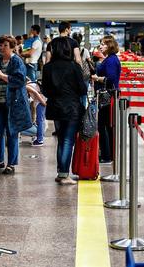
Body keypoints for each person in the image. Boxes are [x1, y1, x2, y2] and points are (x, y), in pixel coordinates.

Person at [0, 35, 32, 175]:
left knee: (12, 133)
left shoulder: (17, 61)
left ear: (12, 47)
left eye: (5, 45)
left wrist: (2, 75)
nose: (2, 48)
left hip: (13, 103)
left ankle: (11, 163)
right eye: (0, 45)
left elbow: (20, 81)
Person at [42, 37, 87, 185]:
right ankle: (64, 174)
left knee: (61, 139)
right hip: (72, 107)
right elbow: (83, 89)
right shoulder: (74, 66)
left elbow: (45, 91)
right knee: (68, 140)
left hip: (55, 107)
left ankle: (61, 171)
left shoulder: (47, 68)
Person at [91, 35, 121, 164]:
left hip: (108, 97)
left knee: (104, 125)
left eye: (103, 44)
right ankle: (107, 153)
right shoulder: (110, 59)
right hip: (108, 96)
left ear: (110, 46)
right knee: (106, 125)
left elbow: (111, 79)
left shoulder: (111, 60)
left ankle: (107, 155)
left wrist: (96, 78)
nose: (101, 46)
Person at [26, 79, 46, 146]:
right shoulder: (30, 83)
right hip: (41, 100)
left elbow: (36, 93)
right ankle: (40, 138)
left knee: (40, 120)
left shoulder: (26, 86)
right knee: (40, 120)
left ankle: (40, 140)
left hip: (41, 101)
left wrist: (43, 102)